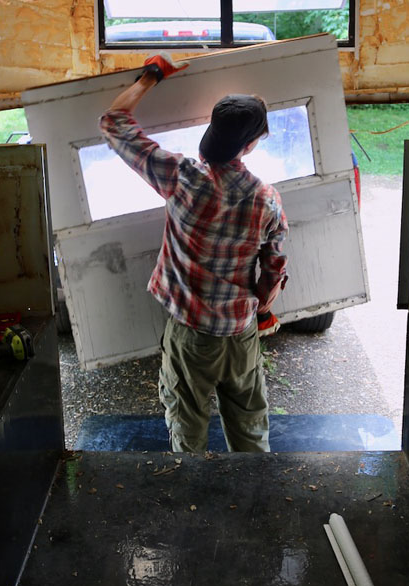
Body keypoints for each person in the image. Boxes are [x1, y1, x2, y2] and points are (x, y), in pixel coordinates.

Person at [99, 56, 288, 453]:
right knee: (250, 431)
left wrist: (153, 75)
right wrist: (264, 309)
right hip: (240, 335)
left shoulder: (181, 177)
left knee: (188, 430)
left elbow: (113, 122)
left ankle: (195, 500)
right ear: (249, 145)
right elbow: (272, 272)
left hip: (190, 335)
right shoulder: (267, 201)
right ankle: (258, 504)